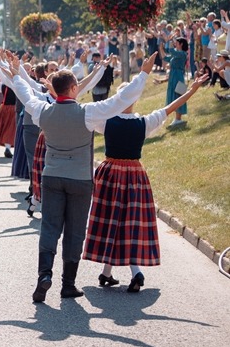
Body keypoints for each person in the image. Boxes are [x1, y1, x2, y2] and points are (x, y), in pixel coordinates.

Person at [3, 52, 157, 303]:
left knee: (49, 228)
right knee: (75, 232)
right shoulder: (88, 113)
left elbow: (26, 95)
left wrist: (17, 74)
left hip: (51, 175)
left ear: (55, 89)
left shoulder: (43, 111)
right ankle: (68, 284)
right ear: (74, 88)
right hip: (79, 180)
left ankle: (44, 275)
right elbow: (121, 100)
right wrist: (143, 74)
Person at [85, 74, 208, 291]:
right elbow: (170, 108)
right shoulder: (143, 122)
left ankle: (119, 272)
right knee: (130, 222)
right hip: (134, 175)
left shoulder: (106, 120)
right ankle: (116, 272)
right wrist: (192, 90)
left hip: (110, 173)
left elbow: (78, 113)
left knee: (112, 220)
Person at [159, 36, 189, 126]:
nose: (175, 44)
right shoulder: (176, 54)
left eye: (177, 42)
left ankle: (178, 119)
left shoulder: (183, 54)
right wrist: (161, 49)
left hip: (178, 76)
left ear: (181, 44)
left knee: (178, 95)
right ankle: (177, 118)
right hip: (173, 75)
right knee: (173, 94)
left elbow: (171, 51)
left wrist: (170, 41)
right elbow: (165, 58)